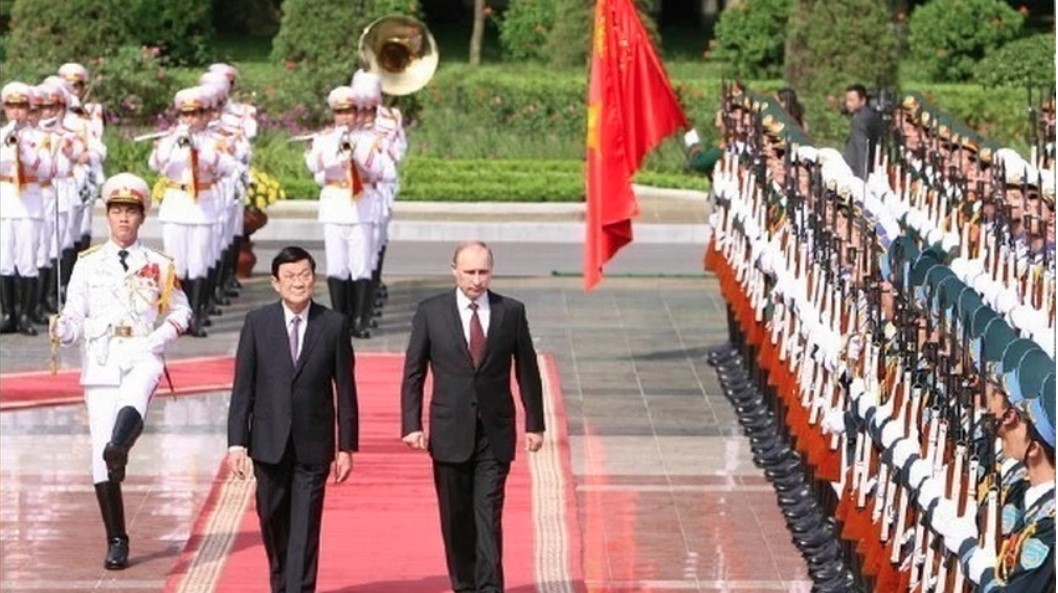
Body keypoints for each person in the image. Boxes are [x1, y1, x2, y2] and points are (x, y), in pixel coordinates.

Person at [50, 172, 192, 570]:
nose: (124, 219)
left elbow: (182, 310)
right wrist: (64, 328)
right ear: (107, 216)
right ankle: (116, 537)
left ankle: (121, 447)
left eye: (131, 211)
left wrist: (160, 337)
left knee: (135, 399)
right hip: (101, 354)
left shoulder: (158, 264)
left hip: (143, 349)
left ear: (142, 217)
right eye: (117, 211)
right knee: (100, 457)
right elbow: (75, 312)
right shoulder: (87, 263)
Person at [400, 240, 545, 593]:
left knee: (488, 514)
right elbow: (414, 371)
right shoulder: (431, 312)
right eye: (469, 272)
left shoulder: (511, 311)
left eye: (483, 272)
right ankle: (464, 585)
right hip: (449, 431)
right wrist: (411, 424)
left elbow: (527, 370)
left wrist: (535, 423)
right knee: (456, 517)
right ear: (454, 271)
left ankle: (489, 586)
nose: (477, 280)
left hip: (495, 433)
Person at [227, 246, 358, 593]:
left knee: (305, 526)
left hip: (313, 445)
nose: (298, 283)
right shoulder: (258, 323)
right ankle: (281, 581)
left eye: (305, 276)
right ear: (275, 282)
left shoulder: (333, 325)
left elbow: (345, 389)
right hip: (268, 443)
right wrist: (236, 443)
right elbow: (243, 388)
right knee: (271, 518)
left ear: (314, 279)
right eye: (290, 277)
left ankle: (299, 588)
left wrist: (346, 446)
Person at [1, 81, 54, 336]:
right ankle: (8, 313)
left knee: (27, 261)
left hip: (30, 204)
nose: (16, 112)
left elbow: (47, 170)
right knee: (4, 262)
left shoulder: (40, 137)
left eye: (21, 106)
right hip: (5, 202)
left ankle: (25, 314)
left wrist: (23, 151)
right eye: (11, 106)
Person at [843, 83, 884, 179]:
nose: (848, 104)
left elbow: (862, 149)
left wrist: (862, 178)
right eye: (847, 100)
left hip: (856, 171)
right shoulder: (871, 115)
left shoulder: (860, 120)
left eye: (852, 100)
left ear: (862, 100)